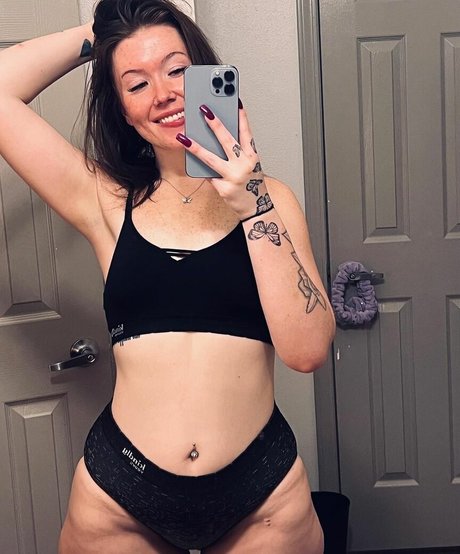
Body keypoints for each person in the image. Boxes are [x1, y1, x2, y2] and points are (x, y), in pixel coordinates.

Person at [0, 0, 335, 552]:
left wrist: (251, 201)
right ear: (123, 111)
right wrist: (105, 32)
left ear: (206, 76)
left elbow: (307, 351)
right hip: (121, 496)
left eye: (177, 70)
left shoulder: (270, 198)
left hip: (263, 498)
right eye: (137, 84)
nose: (163, 94)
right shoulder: (105, 201)